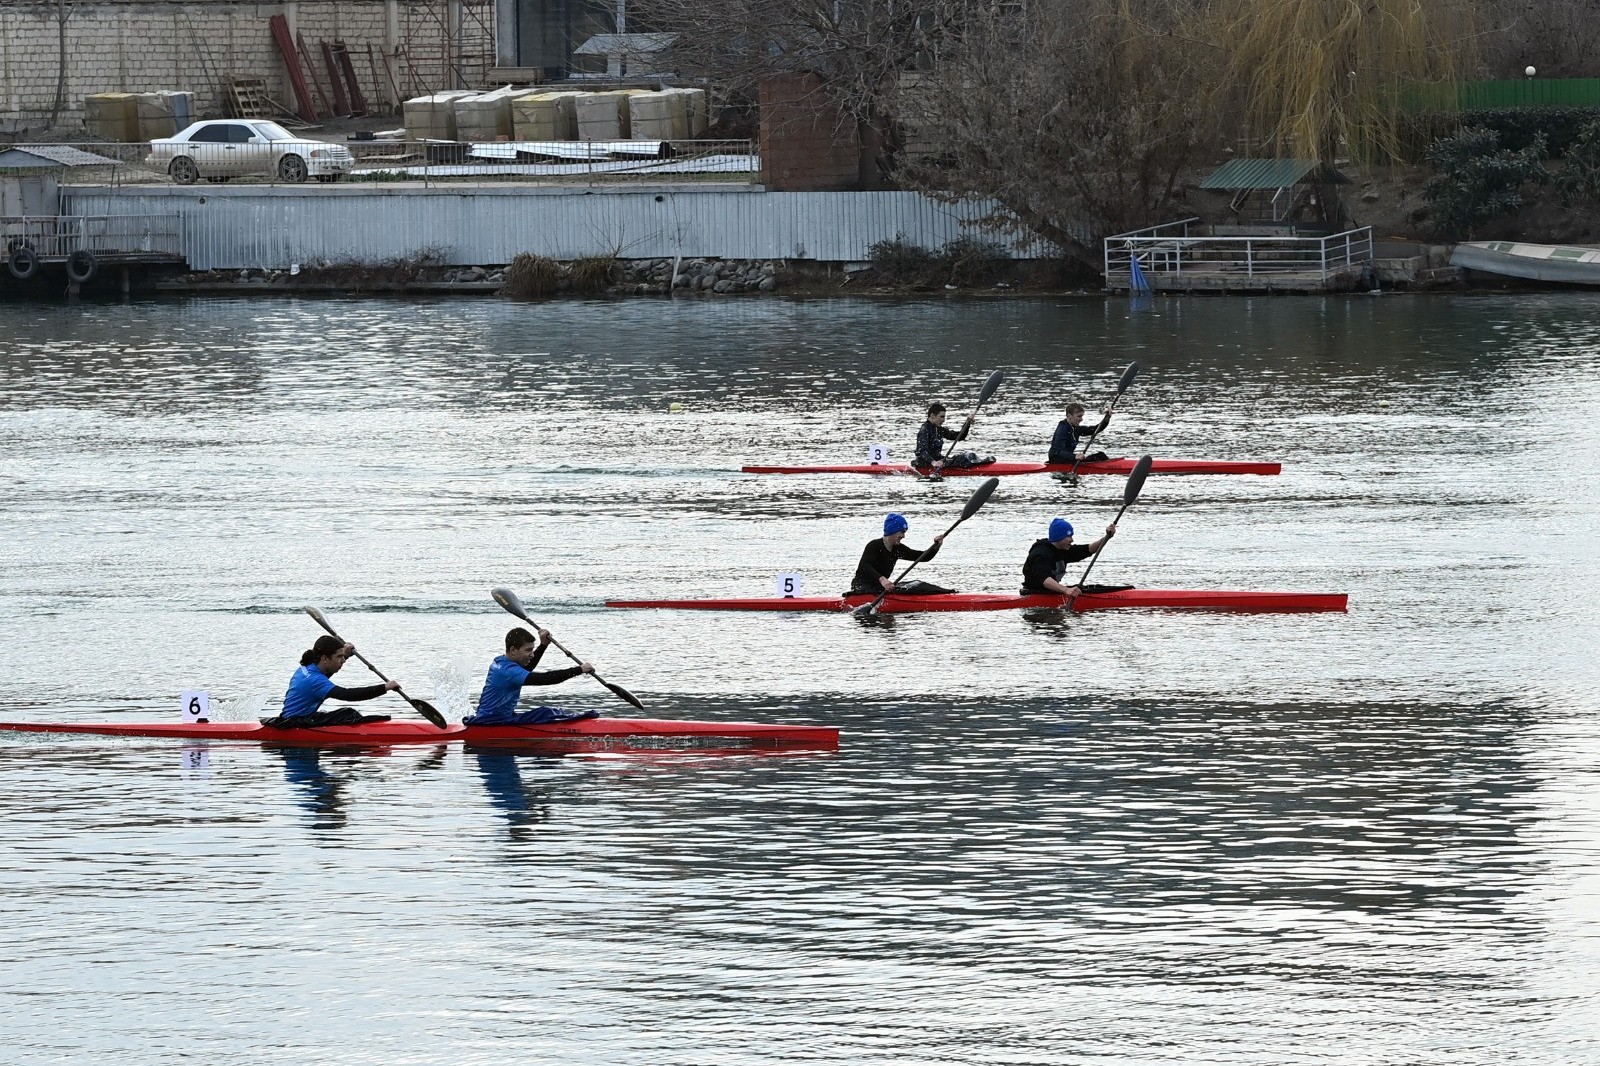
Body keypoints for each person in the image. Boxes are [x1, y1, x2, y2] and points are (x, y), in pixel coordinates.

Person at [465, 627, 601, 726]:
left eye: (532, 649)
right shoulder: (509, 672)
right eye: (528, 650)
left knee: (552, 712)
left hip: (494, 718)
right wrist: (579, 669)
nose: (531, 654)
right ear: (513, 650)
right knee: (547, 713)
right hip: (492, 722)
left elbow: (527, 668)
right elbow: (545, 679)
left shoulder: (500, 661)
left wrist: (543, 645)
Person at [262, 635, 397, 729]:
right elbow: (348, 695)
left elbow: (324, 675)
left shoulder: (308, 667)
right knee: (348, 713)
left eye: (342, 657)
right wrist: (384, 687)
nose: (343, 660)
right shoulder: (315, 680)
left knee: (346, 714)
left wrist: (345, 653)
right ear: (325, 658)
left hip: (296, 718)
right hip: (295, 724)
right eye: (339, 657)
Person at [850, 512, 952, 596]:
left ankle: (948, 593)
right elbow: (864, 566)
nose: (903, 536)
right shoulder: (874, 545)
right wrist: (882, 579)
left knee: (916, 584)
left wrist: (936, 546)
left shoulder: (898, 549)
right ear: (892, 530)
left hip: (881, 587)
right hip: (862, 586)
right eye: (902, 532)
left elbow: (922, 557)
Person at [1020, 517, 1118, 594]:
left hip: (1049, 592)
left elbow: (1089, 549)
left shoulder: (1063, 549)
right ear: (1059, 537)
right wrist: (1066, 590)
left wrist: (1107, 537)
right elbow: (1044, 579)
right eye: (1069, 536)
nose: (1072, 540)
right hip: (1034, 593)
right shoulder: (1041, 554)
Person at [915, 403, 993, 473]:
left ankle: (977, 462)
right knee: (962, 459)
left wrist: (967, 423)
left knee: (968, 455)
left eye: (944, 417)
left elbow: (959, 436)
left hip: (939, 461)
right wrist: (933, 462)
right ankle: (978, 464)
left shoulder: (939, 430)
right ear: (932, 416)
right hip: (925, 464)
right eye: (941, 417)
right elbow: (921, 451)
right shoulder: (924, 430)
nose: (943, 420)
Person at [1048, 403, 1112, 465]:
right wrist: (1074, 456)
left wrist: (1107, 418)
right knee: (1100, 456)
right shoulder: (1062, 429)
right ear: (1069, 416)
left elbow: (1095, 429)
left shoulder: (1076, 429)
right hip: (1057, 461)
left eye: (1081, 416)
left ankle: (1111, 464)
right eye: (1079, 416)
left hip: (1068, 459)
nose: (1081, 419)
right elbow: (1058, 452)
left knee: (1101, 455)